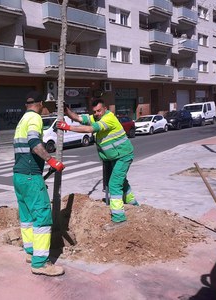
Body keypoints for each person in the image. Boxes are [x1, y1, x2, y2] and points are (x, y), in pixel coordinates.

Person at [57, 98, 138, 230]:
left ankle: (119, 218)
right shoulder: (96, 117)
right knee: (122, 182)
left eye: (99, 111)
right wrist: (67, 111)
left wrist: (68, 127)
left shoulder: (108, 118)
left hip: (123, 155)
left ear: (105, 108)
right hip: (114, 157)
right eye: (94, 111)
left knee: (114, 184)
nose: (97, 114)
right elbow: (78, 118)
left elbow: (90, 128)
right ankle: (133, 204)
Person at [13, 91, 66, 276]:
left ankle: (30, 253)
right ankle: (40, 263)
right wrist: (51, 161)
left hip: (18, 176)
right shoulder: (35, 118)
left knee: (27, 217)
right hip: (30, 176)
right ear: (40, 103)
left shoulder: (22, 120)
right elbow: (35, 144)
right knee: (43, 215)